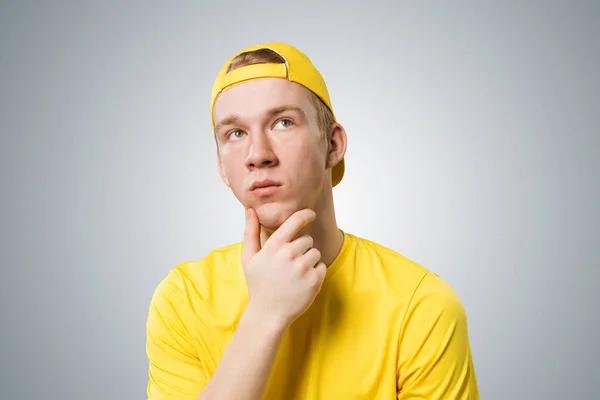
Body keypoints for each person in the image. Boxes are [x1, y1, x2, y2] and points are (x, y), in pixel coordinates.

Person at [145, 41, 479, 400]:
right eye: (235, 133)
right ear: (221, 166)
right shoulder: (184, 299)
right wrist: (264, 315)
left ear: (333, 145)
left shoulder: (421, 305)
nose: (257, 155)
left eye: (283, 122)